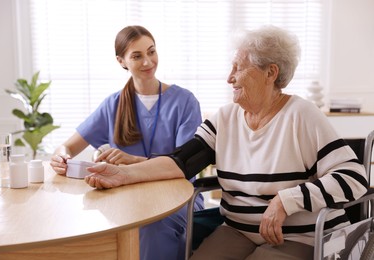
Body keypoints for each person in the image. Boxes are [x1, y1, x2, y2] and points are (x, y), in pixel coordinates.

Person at [83, 25, 368, 260]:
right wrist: (124, 175)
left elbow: (354, 178)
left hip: (298, 237)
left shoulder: (302, 116)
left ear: (271, 73)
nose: (229, 77)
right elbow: (180, 161)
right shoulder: (225, 118)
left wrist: (286, 200)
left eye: (239, 68)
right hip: (238, 231)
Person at [50, 25, 204, 260]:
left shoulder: (185, 102)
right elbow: (68, 147)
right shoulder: (112, 105)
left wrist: (133, 162)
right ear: (121, 61)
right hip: (125, 200)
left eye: (151, 52)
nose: (148, 61)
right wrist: (61, 156)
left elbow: (187, 169)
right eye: (137, 56)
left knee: (150, 229)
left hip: (177, 199)